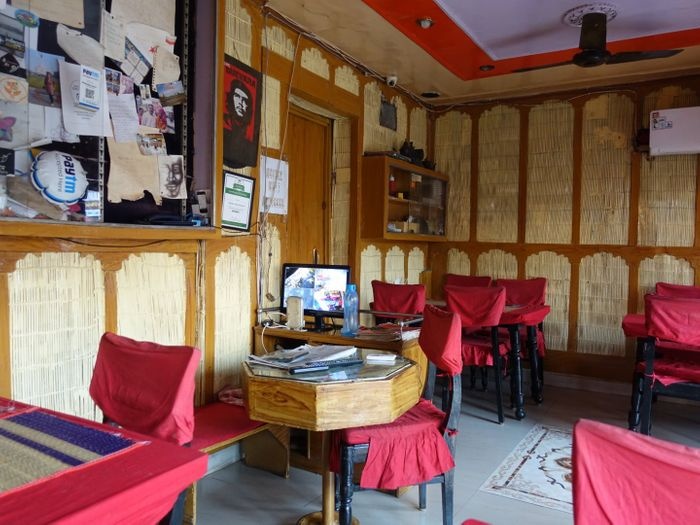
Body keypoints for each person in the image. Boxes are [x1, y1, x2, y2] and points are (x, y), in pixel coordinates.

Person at [223, 78, 257, 168]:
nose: (241, 103)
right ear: (231, 98)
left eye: (244, 100)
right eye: (237, 96)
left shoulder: (249, 140)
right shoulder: (223, 126)